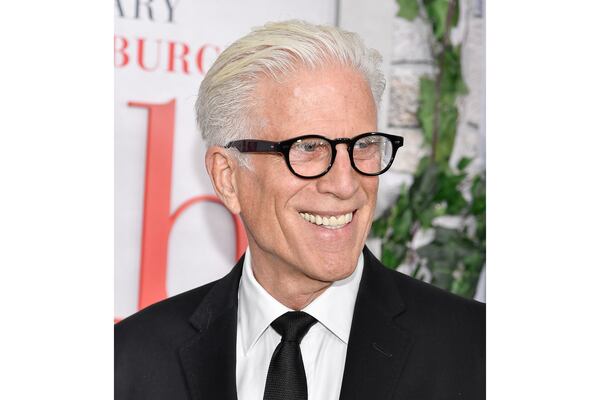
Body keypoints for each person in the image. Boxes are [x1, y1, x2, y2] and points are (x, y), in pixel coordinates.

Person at [115, 20, 485, 400]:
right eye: (308, 148)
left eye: (364, 145)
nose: (345, 184)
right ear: (227, 177)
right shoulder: (129, 361)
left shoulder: (477, 352)